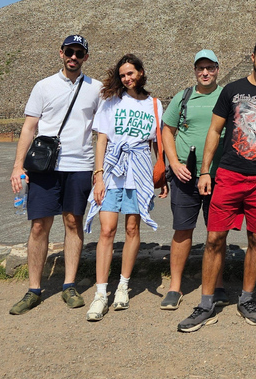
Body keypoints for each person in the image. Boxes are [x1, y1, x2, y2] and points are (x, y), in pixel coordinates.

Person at [177, 37, 256, 332]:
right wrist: (205, 171)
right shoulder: (232, 90)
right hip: (229, 173)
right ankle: (206, 303)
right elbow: (215, 131)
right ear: (252, 56)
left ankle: (246, 299)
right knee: (215, 238)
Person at [9, 34, 103, 315]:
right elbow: (29, 127)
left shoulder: (96, 88)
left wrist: (99, 171)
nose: (73, 57)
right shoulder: (43, 86)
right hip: (46, 167)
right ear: (60, 53)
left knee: (73, 222)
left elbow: (101, 132)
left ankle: (69, 284)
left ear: (86, 57)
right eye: (69, 52)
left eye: (79, 53)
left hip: (80, 165)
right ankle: (34, 289)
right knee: (39, 225)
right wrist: (18, 166)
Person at [84, 54, 168, 321]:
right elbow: (101, 140)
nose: (127, 78)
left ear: (141, 73)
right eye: (123, 75)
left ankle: (123, 285)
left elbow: (158, 143)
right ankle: (100, 293)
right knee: (107, 229)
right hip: (112, 170)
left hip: (140, 170)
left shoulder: (155, 104)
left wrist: (162, 174)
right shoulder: (111, 101)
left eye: (131, 73)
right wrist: (98, 176)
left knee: (132, 228)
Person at [159, 49, 227, 310]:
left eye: (210, 68)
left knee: (216, 233)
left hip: (218, 176)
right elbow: (168, 130)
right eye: (201, 68)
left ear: (218, 69)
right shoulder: (183, 97)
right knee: (182, 231)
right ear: (195, 71)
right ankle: (175, 287)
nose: (205, 73)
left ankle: (218, 284)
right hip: (185, 176)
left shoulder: (226, 96)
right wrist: (173, 163)